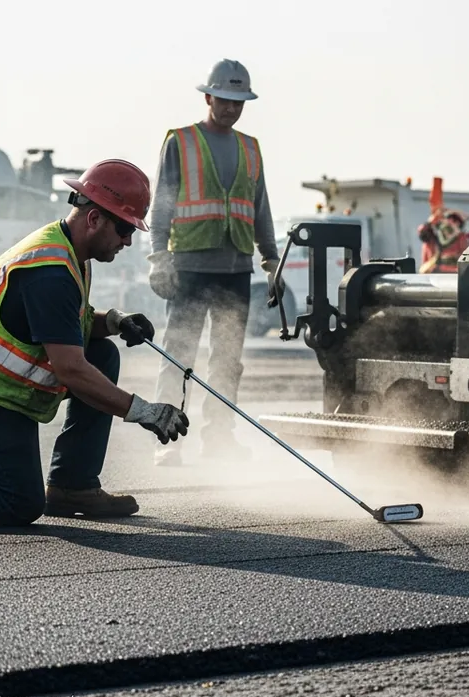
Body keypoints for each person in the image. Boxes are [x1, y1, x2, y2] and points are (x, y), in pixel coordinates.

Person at [0, 159, 190, 525]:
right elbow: (70, 370)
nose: (128, 240)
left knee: (102, 353)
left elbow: (66, 323)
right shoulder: (50, 272)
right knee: (17, 501)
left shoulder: (69, 251)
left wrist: (113, 322)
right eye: (125, 228)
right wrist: (144, 412)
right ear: (95, 219)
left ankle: (73, 486)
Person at [146, 58, 283, 466]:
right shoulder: (181, 142)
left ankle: (219, 438)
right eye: (224, 100)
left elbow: (260, 209)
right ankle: (168, 441)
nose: (231, 108)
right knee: (178, 356)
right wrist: (159, 258)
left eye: (238, 102)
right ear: (208, 97)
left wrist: (271, 261)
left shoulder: (250, 148)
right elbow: (162, 205)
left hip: (236, 270)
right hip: (189, 268)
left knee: (227, 362)